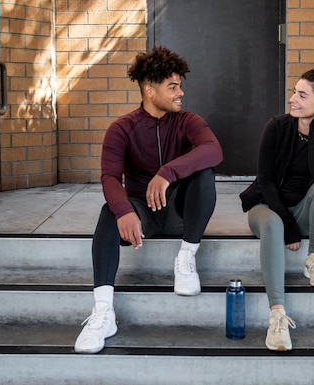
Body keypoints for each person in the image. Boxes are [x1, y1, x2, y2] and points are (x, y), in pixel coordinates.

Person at [74, 46, 223, 354]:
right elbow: (110, 178)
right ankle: (104, 312)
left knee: (204, 173)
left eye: (180, 85)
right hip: (142, 216)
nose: (180, 92)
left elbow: (213, 150)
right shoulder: (122, 129)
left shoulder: (187, 121)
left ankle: (186, 258)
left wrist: (168, 171)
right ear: (149, 90)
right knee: (108, 212)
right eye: (173, 86)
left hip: (180, 213)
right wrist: (124, 211)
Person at [239, 68, 314, 351]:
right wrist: (288, 223)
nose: (293, 99)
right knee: (274, 225)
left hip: (303, 211)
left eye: (302, 95)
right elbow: (265, 181)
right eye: (294, 92)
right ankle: (277, 315)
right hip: (266, 208)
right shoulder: (276, 126)